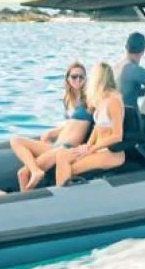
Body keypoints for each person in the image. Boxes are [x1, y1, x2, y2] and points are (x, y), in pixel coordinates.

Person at [12, 62, 93, 191]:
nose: (78, 80)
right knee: (16, 140)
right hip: (57, 145)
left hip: (66, 148)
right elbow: (69, 125)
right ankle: (35, 171)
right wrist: (51, 133)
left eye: (81, 77)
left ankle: (28, 198)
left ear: (86, 79)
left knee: (23, 173)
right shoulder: (69, 100)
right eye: (74, 76)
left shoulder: (89, 100)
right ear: (68, 79)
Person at [53, 63, 126, 187]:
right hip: (97, 149)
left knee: (72, 168)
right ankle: (61, 195)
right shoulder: (102, 99)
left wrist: (93, 148)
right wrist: (87, 145)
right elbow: (98, 128)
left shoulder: (114, 101)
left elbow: (117, 136)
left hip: (111, 153)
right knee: (61, 155)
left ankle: (64, 199)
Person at [117, 32, 145, 121]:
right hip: (129, 119)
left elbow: (127, 91)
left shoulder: (117, 66)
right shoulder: (134, 69)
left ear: (126, 47)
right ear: (143, 51)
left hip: (117, 115)